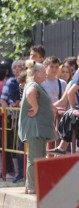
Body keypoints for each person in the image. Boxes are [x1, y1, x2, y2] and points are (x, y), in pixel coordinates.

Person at [18, 61, 54, 194]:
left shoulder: (35, 85)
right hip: (35, 129)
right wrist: (36, 107)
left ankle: (30, 186)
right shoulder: (33, 85)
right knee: (34, 159)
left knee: (36, 157)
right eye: (44, 72)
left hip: (37, 129)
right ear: (37, 74)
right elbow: (30, 95)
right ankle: (32, 187)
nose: (46, 74)